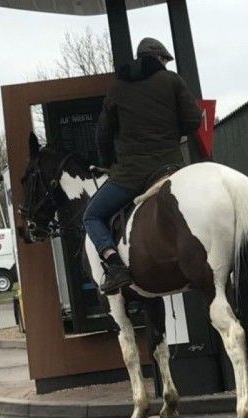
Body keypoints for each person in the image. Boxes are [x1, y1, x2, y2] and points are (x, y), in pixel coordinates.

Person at [84, 37, 202, 295]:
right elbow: (193, 121)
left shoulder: (117, 89)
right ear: (157, 59)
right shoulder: (172, 81)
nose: (165, 64)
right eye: (164, 60)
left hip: (131, 174)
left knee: (91, 215)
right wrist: (172, 131)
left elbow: (102, 134)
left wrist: (108, 163)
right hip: (172, 167)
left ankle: (115, 266)